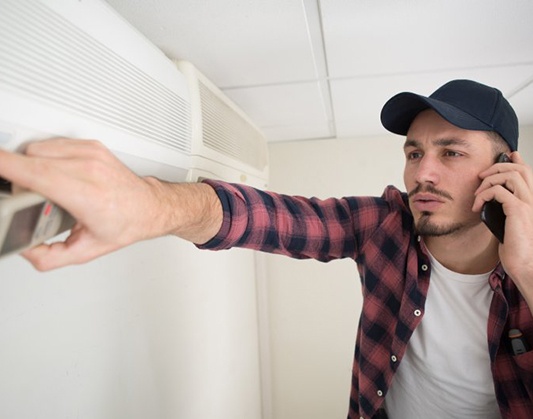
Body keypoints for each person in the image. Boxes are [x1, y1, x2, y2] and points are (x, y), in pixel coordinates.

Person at [0, 79, 532, 418]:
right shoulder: (385, 226)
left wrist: (526, 268)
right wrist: (150, 204)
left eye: (451, 152)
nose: (423, 173)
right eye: (414, 153)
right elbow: (270, 218)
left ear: (505, 169)